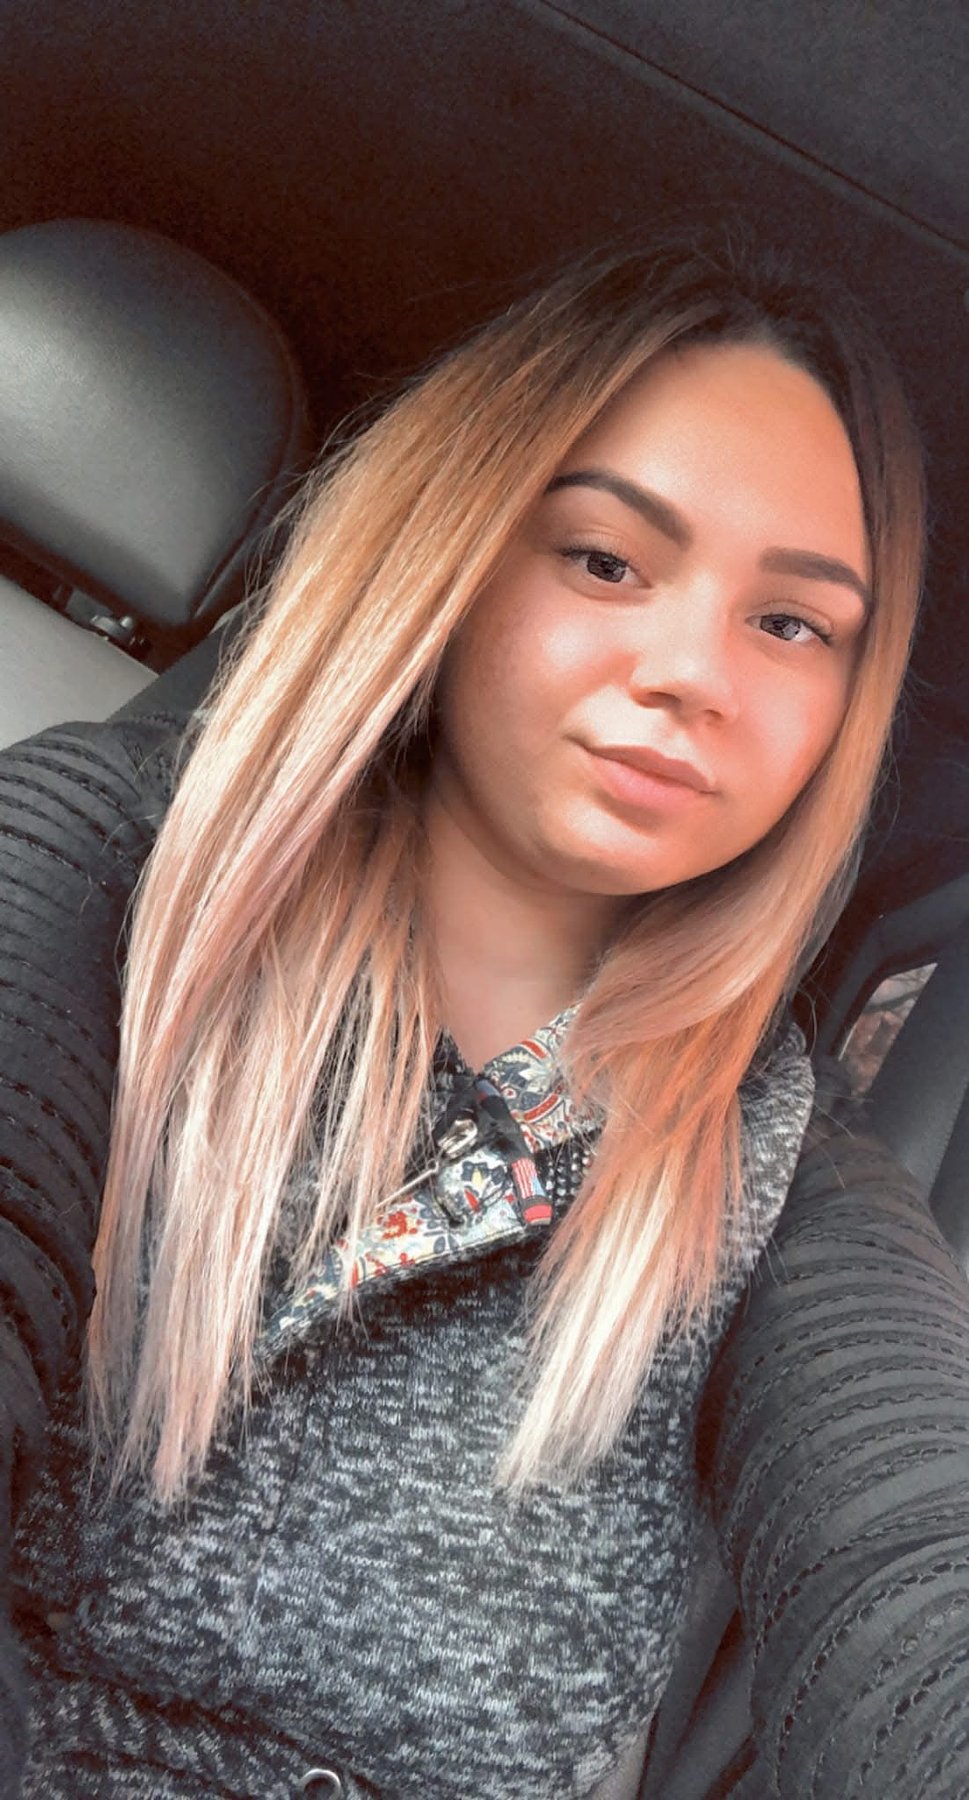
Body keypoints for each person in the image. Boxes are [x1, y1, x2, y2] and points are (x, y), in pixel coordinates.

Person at [2, 236, 968, 1800]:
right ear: (452, 546)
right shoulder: (111, 858)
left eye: (792, 625)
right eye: (604, 559)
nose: (691, 673)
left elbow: (912, 1556)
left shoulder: (781, 1174)